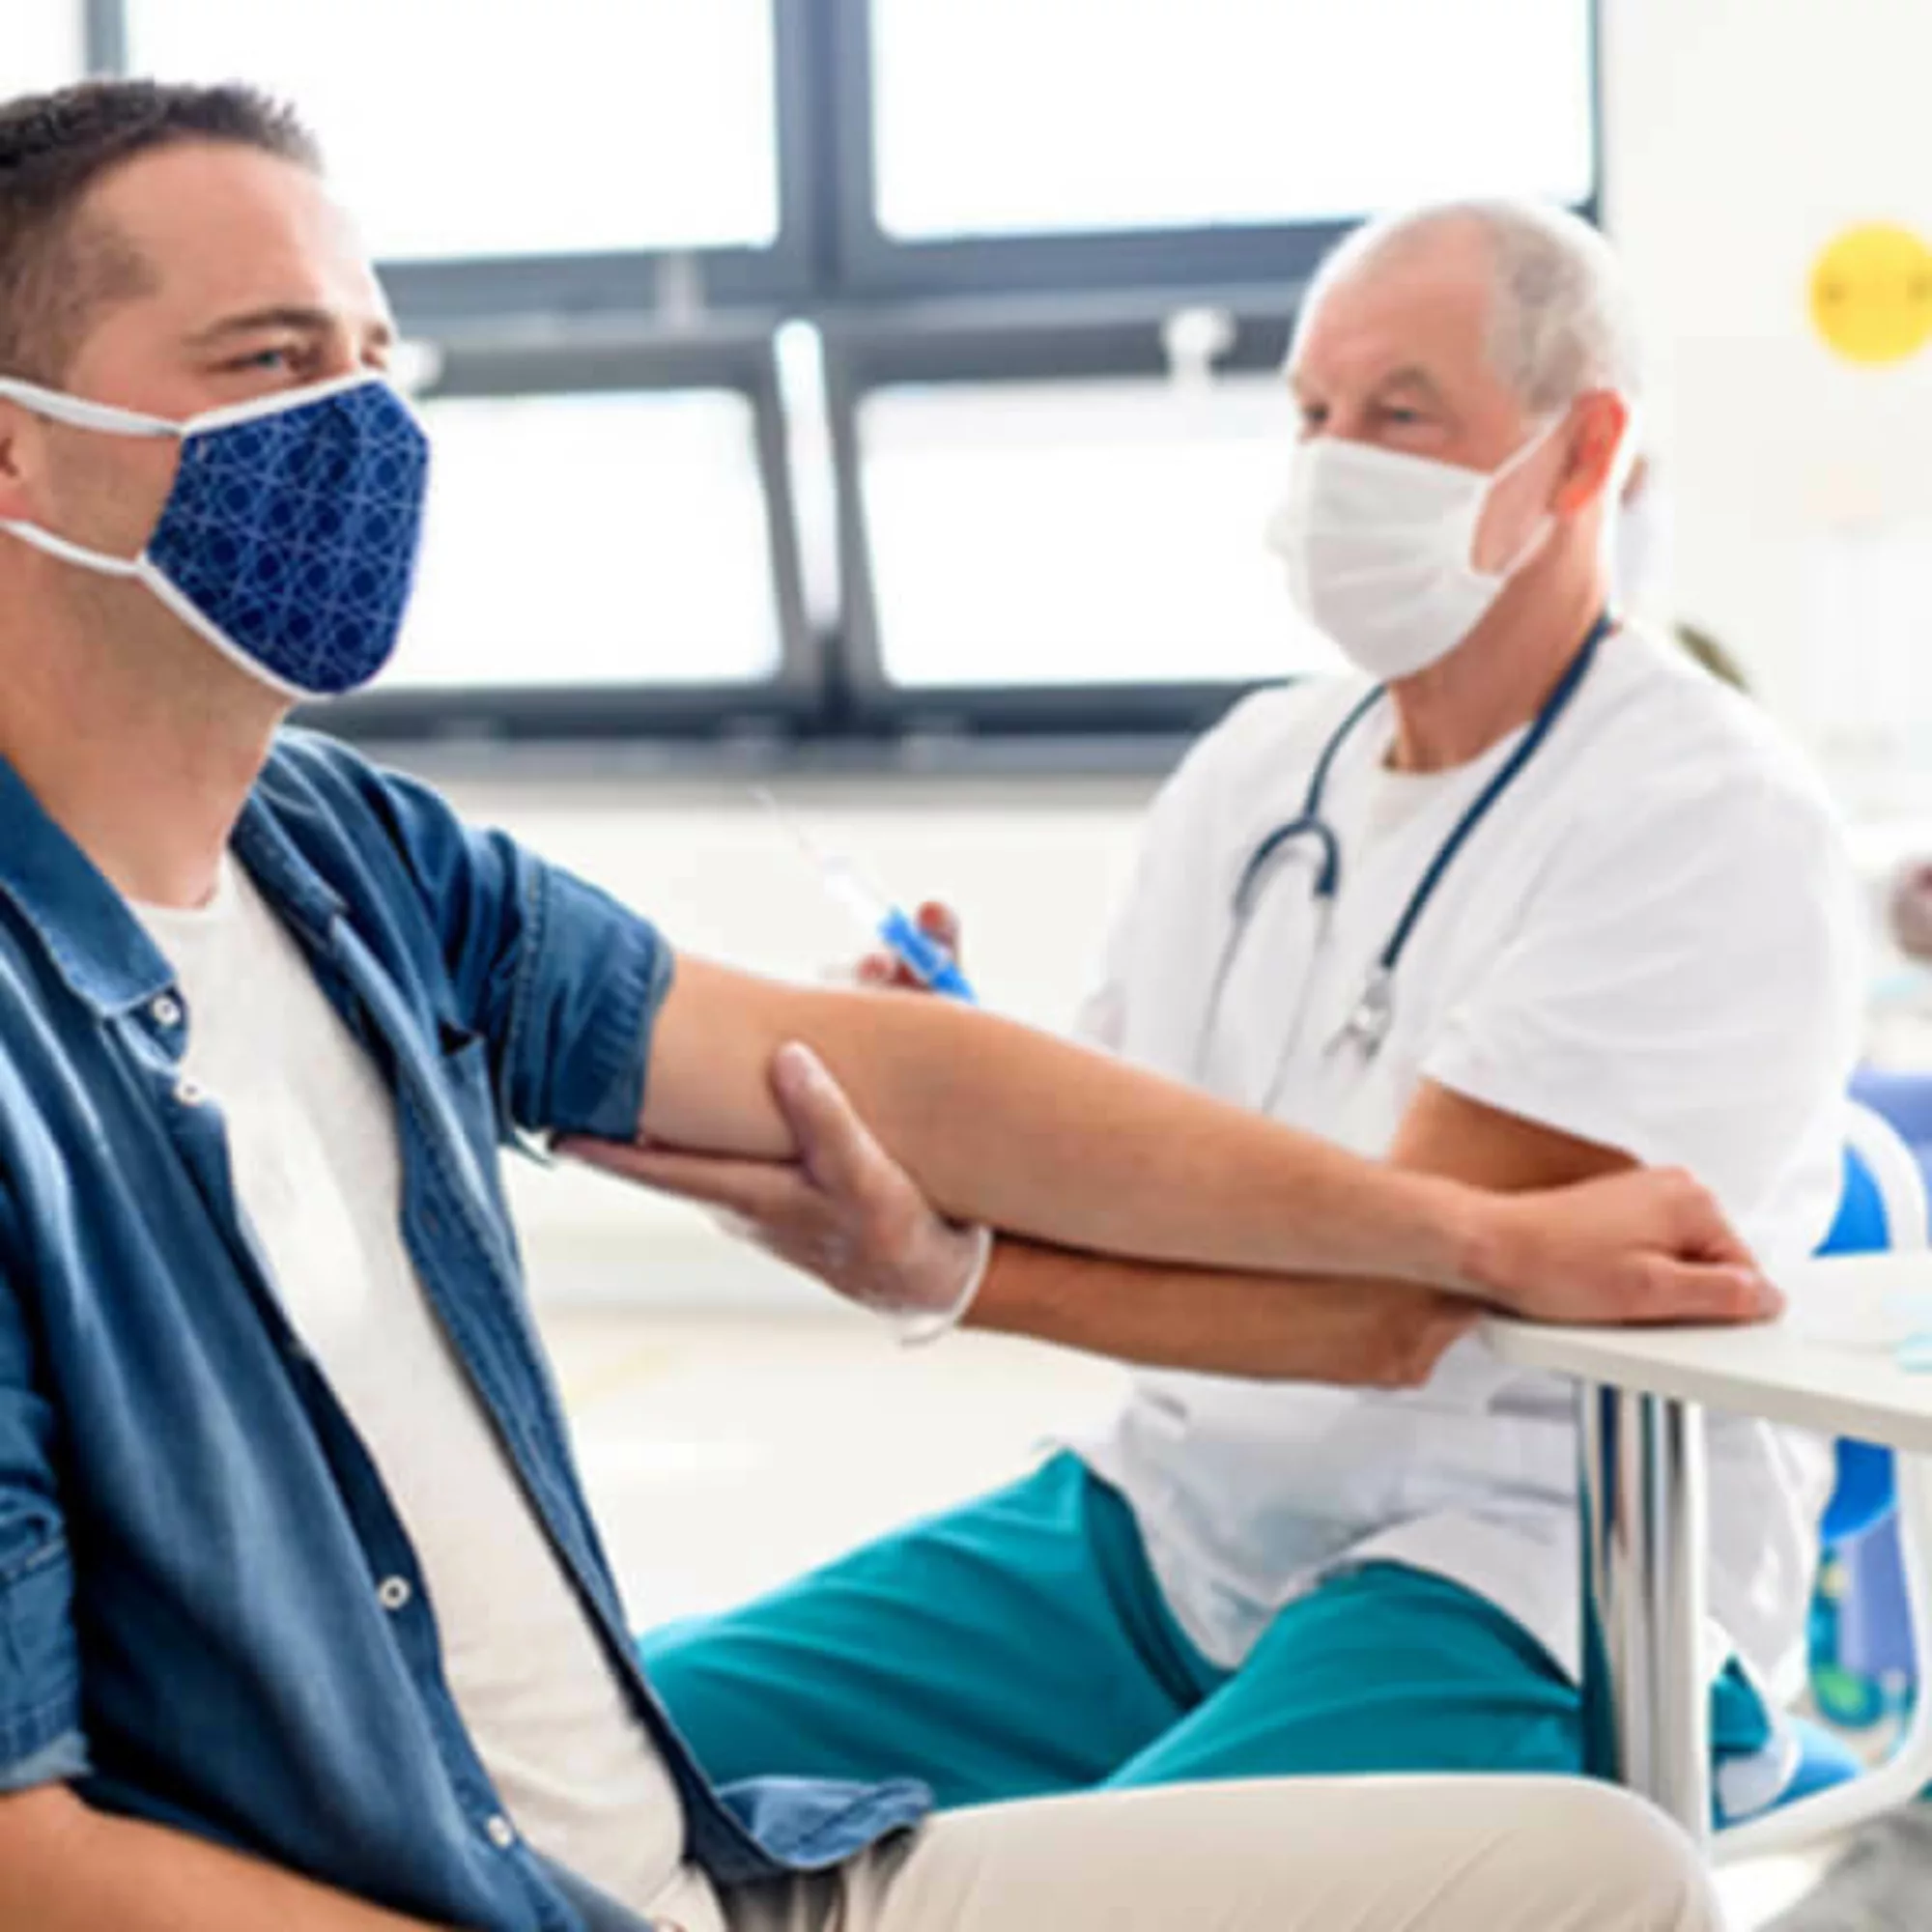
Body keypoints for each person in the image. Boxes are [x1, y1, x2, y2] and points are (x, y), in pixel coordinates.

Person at [0, 79, 1746, 1932]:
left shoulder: (347, 860)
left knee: (1602, 1878)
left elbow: (883, 1081)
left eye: (375, 358)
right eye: (271, 361)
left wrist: (1471, 1232)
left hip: (709, 1879)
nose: (358, 432)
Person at [626, 201, 1868, 1822]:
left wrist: (962, 1261)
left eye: (1399, 415)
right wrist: (958, 1098)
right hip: (1178, 1519)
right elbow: (1120, 1149)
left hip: (1515, 1569)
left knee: (1097, 1895)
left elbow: (1399, 1301)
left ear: (1584, 459)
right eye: (1310, 414)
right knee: (617, 1756)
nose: (1331, 460)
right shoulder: (1260, 769)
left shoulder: (1704, 809)